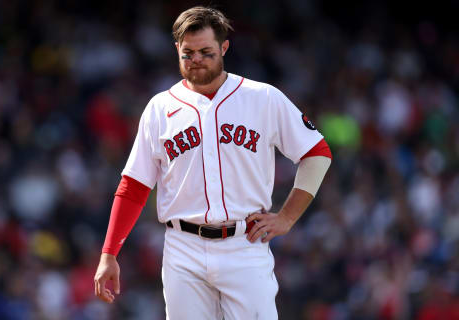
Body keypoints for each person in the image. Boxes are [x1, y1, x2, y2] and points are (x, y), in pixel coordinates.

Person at [94, 6, 332, 319]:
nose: (196, 60)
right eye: (188, 52)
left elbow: (317, 153)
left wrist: (287, 217)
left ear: (224, 47)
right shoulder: (159, 108)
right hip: (183, 247)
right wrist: (109, 253)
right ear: (177, 49)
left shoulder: (262, 97)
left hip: (244, 243)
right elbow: (134, 186)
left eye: (206, 52)